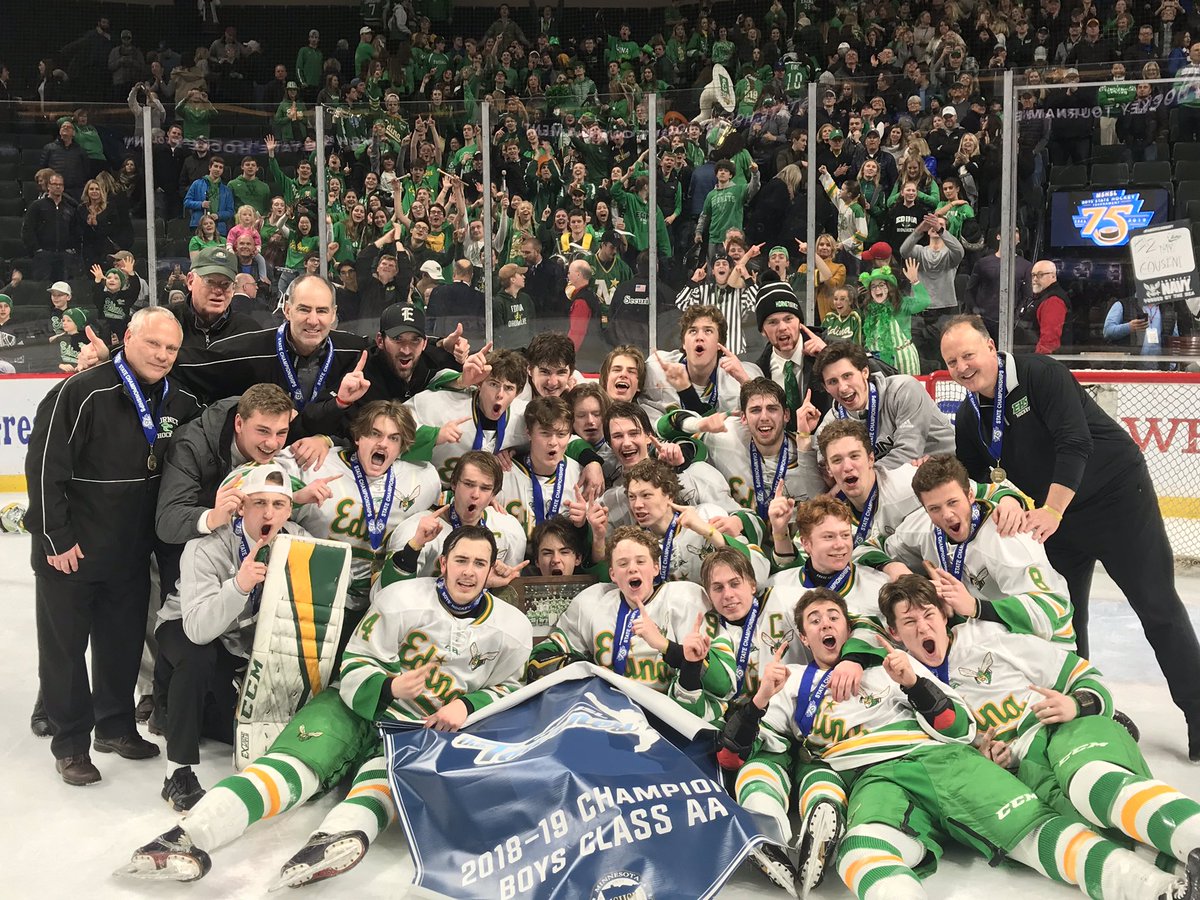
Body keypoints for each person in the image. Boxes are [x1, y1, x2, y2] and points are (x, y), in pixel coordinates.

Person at [719, 586, 1200, 900]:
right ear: (802, 635)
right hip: (873, 779)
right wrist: (760, 698)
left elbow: (960, 728)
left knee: (1035, 831)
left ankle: (1153, 890)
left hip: (940, 758)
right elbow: (734, 754)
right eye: (815, 620)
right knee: (860, 851)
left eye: (833, 617)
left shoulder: (894, 667)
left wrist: (912, 684)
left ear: (848, 629)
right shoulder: (790, 682)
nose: (825, 625)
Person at [122, 526, 532, 888]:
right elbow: (355, 660)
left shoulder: (512, 628)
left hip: (419, 729)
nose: (469, 571)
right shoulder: (401, 597)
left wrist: (467, 704)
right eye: (461, 560)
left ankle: (339, 836)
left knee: (386, 781)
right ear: (443, 562)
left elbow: (512, 687)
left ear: (492, 569)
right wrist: (389, 685)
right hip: (355, 705)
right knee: (291, 763)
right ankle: (189, 835)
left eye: (480, 563)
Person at [940, 314, 1200, 761]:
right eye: (951, 361)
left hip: (1115, 502)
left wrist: (1052, 509)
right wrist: (1002, 499)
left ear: (989, 346)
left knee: (1158, 607)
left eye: (968, 354)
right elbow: (978, 482)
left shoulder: (1041, 374)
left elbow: (1074, 442)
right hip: (1052, 519)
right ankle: (1083, 709)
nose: (962, 367)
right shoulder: (969, 416)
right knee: (1062, 621)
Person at [881, 575, 1200, 878]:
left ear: (944, 614)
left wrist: (1076, 704)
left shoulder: (990, 640)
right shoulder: (903, 686)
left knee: (1094, 784)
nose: (923, 626)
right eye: (910, 622)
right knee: (1089, 828)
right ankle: (1180, 875)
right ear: (895, 632)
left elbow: (1085, 677)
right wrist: (983, 758)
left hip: (1061, 730)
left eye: (928, 615)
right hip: (1026, 771)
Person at [26, 307, 201, 786]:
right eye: (153, 344)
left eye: (171, 348)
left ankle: (116, 726)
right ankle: (70, 743)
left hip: (129, 551)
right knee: (64, 651)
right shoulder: (80, 392)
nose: (163, 355)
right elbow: (44, 469)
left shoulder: (178, 400)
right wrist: (54, 538)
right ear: (127, 337)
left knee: (121, 646)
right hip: (72, 551)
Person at [153, 463, 311, 810]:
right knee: (197, 658)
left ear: (289, 509)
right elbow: (198, 630)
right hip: (188, 625)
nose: (269, 513)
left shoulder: (299, 542)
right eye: (259, 503)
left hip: (238, 640)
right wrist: (238, 586)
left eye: (279, 505)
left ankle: (169, 709)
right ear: (242, 507)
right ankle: (177, 772)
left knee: (236, 733)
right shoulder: (206, 546)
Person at [807, 342, 954, 469]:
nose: (843, 388)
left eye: (847, 376)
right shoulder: (830, 423)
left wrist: (862, 478)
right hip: (887, 485)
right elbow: (827, 472)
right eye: (833, 382)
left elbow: (908, 453)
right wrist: (803, 437)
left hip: (947, 469)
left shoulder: (904, 390)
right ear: (825, 388)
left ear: (865, 372)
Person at [384, 451, 527, 582]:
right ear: (453, 484)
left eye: (485, 488)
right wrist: (414, 547)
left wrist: (501, 582)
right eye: (469, 484)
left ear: (494, 494)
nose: (475, 495)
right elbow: (386, 593)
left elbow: (510, 597)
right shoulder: (416, 530)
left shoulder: (510, 530)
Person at [642, 305, 764, 416]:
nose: (699, 337)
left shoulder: (745, 375)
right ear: (684, 343)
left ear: (719, 343)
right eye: (693, 331)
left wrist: (744, 380)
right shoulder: (656, 367)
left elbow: (765, 416)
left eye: (708, 331)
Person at [169, 247, 259, 349]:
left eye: (225, 284)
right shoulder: (164, 322)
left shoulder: (249, 331)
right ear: (190, 281)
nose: (218, 291)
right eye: (210, 282)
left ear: (233, 288)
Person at [22, 171, 80, 282]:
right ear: (48, 186)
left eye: (60, 184)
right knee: (42, 289)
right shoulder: (37, 206)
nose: (58, 187)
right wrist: (36, 250)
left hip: (64, 256)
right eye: (55, 184)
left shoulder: (70, 208)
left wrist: (71, 249)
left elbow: (75, 230)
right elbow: (28, 229)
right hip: (43, 255)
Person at [1028, 259, 1070, 354]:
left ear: (1053, 276)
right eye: (1033, 275)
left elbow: (1049, 341)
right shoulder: (1041, 297)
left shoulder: (1053, 301)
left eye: (1040, 275)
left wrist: (1037, 362)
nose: (1035, 279)